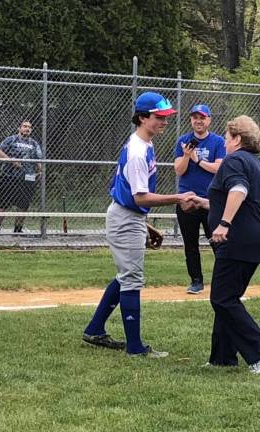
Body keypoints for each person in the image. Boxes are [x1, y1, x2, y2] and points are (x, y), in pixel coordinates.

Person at [82, 92, 195, 358]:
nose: (165, 122)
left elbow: (133, 197)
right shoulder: (137, 152)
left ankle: (95, 328)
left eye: (166, 117)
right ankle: (135, 347)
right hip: (125, 216)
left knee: (126, 275)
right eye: (159, 117)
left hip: (129, 216)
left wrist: (144, 223)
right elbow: (139, 196)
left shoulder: (144, 144)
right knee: (132, 278)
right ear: (143, 118)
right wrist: (178, 198)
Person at [185, 115, 260, 374]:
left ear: (237, 139)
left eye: (227, 138)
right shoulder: (250, 161)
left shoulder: (235, 160)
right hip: (253, 239)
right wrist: (204, 203)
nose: (224, 143)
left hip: (238, 239)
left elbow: (238, 191)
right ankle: (222, 357)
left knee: (223, 298)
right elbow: (237, 198)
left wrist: (224, 224)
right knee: (227, 297)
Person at [174, 104, 226, 294]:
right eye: (195, 117)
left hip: (211, 201)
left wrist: (198, 160)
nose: (198, 121)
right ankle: (196, 281)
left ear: (209, 120)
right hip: (187, 200)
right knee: (190, 244)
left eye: (202, 117)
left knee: (217, 241)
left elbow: (218, 168)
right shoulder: (183, 141)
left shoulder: (218, 142)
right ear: (191, 120)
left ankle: (222, 281)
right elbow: (179, 170)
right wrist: (187, 156)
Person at [0, 120, 42, 233]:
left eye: (29, 127)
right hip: (9, 176)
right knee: (3, 204)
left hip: (27, 178)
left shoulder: (34, 144)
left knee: (23, 206)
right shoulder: (11, 139)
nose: (27, 129)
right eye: (25, 126)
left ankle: (18, 229)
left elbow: (39, 159)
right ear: (19, 128)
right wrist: (11, 161)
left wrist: (40, 171)